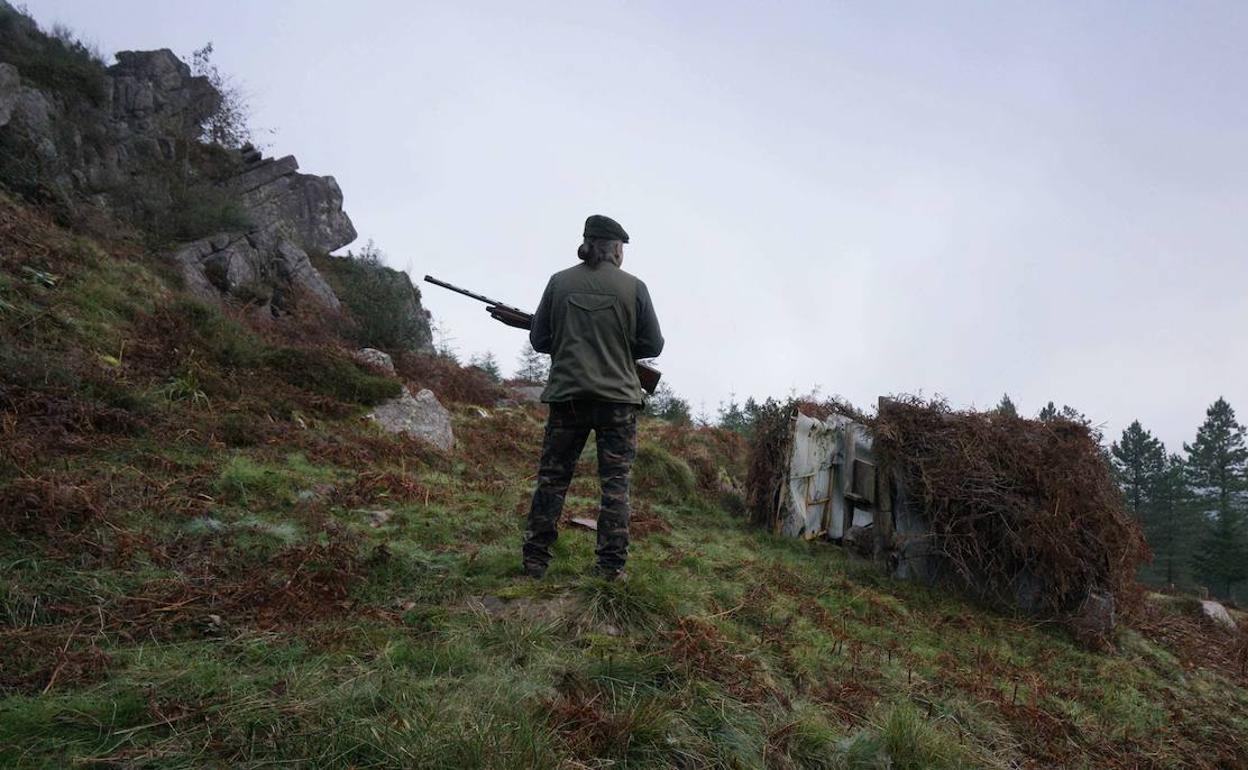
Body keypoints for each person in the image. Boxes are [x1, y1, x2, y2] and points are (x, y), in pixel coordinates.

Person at [521, 214, 664, 581]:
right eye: (622, 249)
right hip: (617, 402)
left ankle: (535, 561)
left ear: (588, 244)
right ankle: (610, 567)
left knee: (552, 479)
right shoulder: (635, 287)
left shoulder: (559, 282)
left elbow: (539, 340)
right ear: (615, 249)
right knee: (615, 484)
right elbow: (653, 345)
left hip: (568, 398)